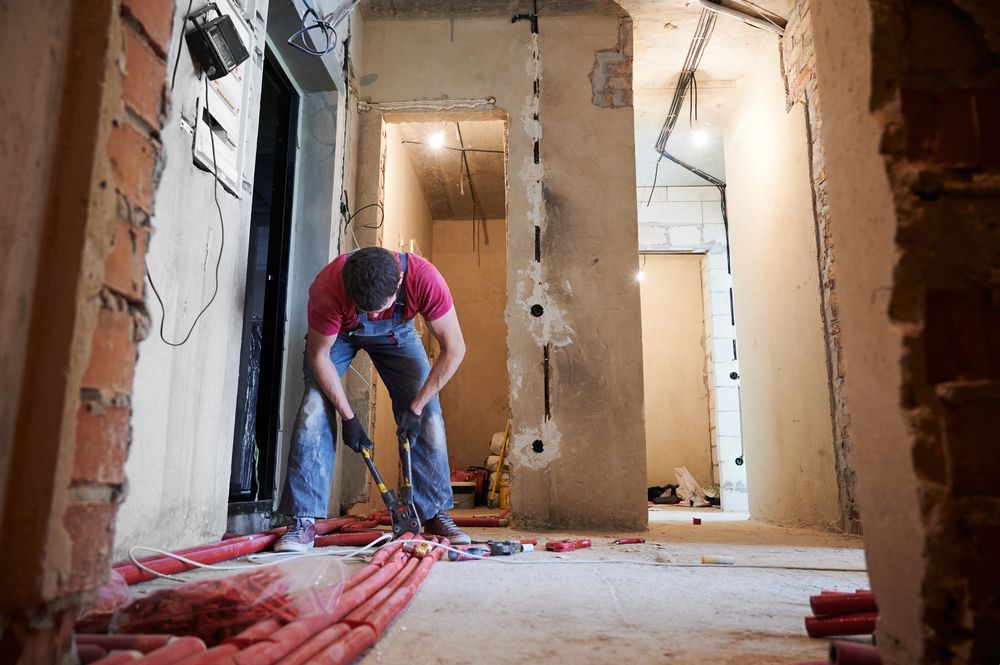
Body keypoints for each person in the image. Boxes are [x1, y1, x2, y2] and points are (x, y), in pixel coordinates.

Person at [275, 246, 469, 551]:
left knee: (429, 413)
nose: (375, 316)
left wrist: (415, 409)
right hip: (340, 335)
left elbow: (455, 348)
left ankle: (433, 512)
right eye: (367, 310)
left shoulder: (424, 278)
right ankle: (302, 519)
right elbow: (319, 355)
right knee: (314, 408)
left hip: (399, 334)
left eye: (382, 307)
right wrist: (349, 417)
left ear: (400, 280)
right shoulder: (328, 287)